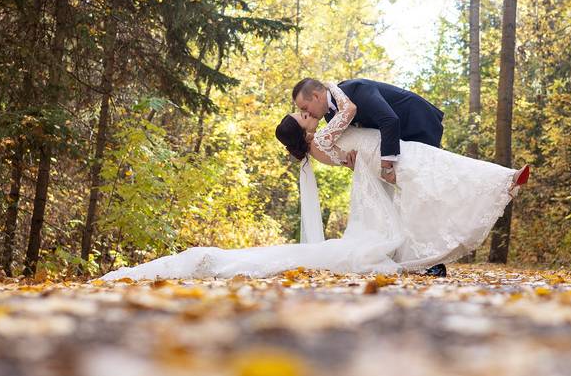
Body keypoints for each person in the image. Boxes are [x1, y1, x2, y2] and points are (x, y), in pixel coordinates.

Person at [101, 81, 529, 281]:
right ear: (305, 123)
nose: (308, 115)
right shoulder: (329, 124)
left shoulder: (340, 106)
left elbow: (382, 122)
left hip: (406, 133)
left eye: (304, 109)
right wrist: (338, 103)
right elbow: (347, 137)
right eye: (302, 116)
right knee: (430, 182)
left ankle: (489, 193)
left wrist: (369, 147)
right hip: (384, 150)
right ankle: (491, 191)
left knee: (432, 178)